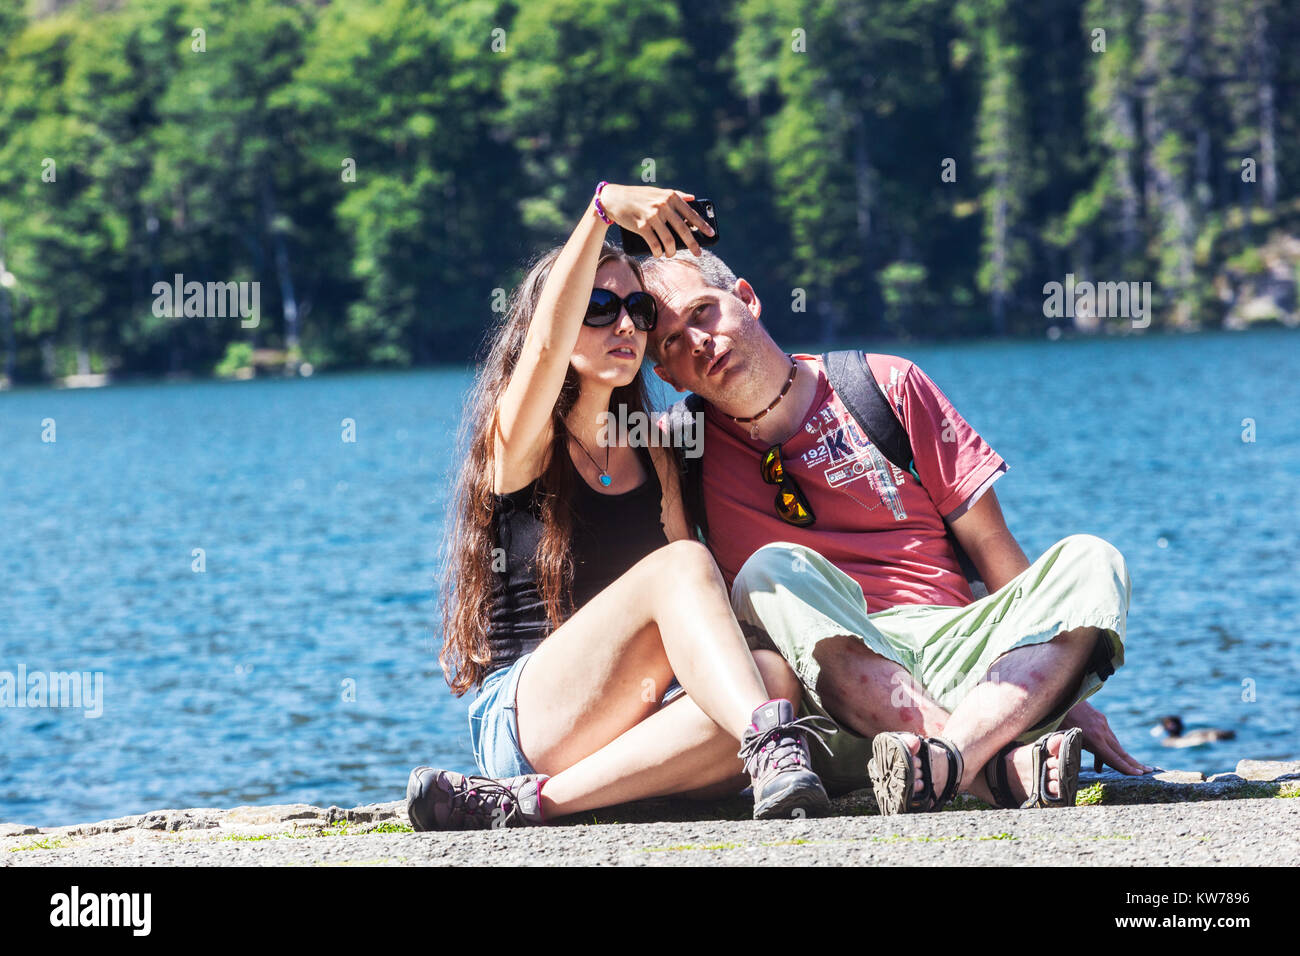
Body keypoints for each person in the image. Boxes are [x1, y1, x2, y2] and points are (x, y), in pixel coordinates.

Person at [635, 248, 1155, 813]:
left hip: (965, 667)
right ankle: (985, 766)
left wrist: (1065, 693)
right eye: (671, 341)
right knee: (769, 570)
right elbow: (568, 394)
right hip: (827, 712)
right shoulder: (678, 448)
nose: (698, 341)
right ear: (665, 374)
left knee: (1091, 559)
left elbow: (990, 545)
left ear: (747, 298)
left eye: (703, 312)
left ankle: (949, 760)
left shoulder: (884, 385)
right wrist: (604, 216)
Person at [406, 184, 833, 830]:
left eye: (638, 308)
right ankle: (768, 747)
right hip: (525, 719)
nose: (627, 325)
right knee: (682, 564)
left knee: (770, 681)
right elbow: (544, 350)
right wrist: (600, 211)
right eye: (599, 308)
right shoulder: (517, 445)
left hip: (630, 721)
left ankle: (532, 802)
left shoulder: (653, 453)